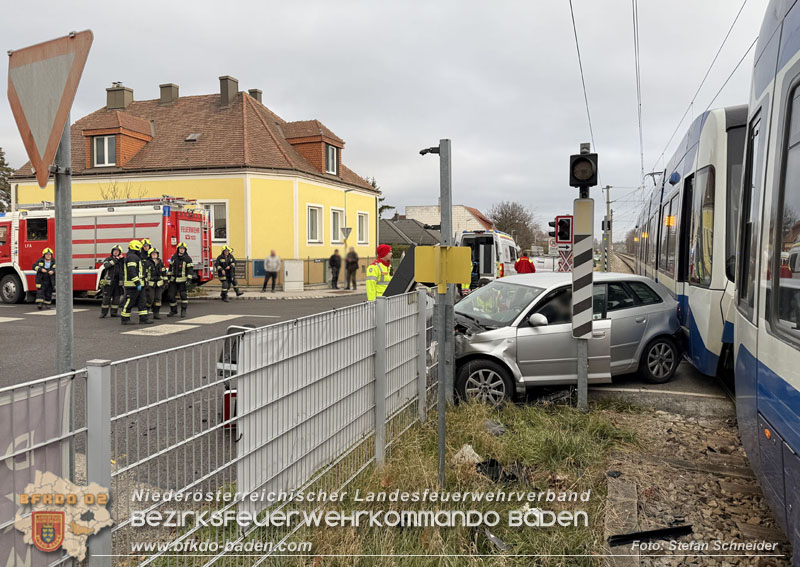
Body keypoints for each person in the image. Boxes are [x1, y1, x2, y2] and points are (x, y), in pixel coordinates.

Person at [121, 240, 152, 325]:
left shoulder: (135, 257)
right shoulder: (132, 257)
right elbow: (132, 271)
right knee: (129, 302)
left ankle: (144, 319)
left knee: (142, 301)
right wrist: (137, 282)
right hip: (132, 285)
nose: (141, 249)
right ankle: (125, 319)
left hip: (139, 284)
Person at [167, 242, 194, 318]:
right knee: (171, 296)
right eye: (180, 249)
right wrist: (168, 278)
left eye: (183, 249)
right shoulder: (174, 257)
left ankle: (183, 311)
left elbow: (190, 270)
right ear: (178, 249)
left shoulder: (188, 258)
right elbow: (170, 268)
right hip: (174, 280)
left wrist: (189, 279)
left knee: (183, 296)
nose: (181, 250)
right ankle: (173, 310)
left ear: (185, 250)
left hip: (183, 280)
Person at [99, 245, 124, 318]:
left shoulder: (121, 261)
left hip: (118, 282)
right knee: (106, 298)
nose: (115, 252)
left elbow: (124, 266)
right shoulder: (108, 259)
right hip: (109, 282)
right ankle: (103, 313)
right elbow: (106, 265)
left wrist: (121, 260)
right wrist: (115, 260)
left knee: (116, 298)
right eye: (114, 251)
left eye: (117, 251)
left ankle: (114, 312)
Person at [145, 248, 168, 319]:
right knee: (150, 299)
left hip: (159, 284)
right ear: (150, 255)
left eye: (155, 254)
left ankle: (156, 314)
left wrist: (166, 282)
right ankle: (146, 312)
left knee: (158, 299)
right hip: (150, 284)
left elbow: (164, 273)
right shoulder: (147, 263)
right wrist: (145, 284)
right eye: (153, 254)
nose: (154, 255)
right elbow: (144, 274)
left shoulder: (160, 263)